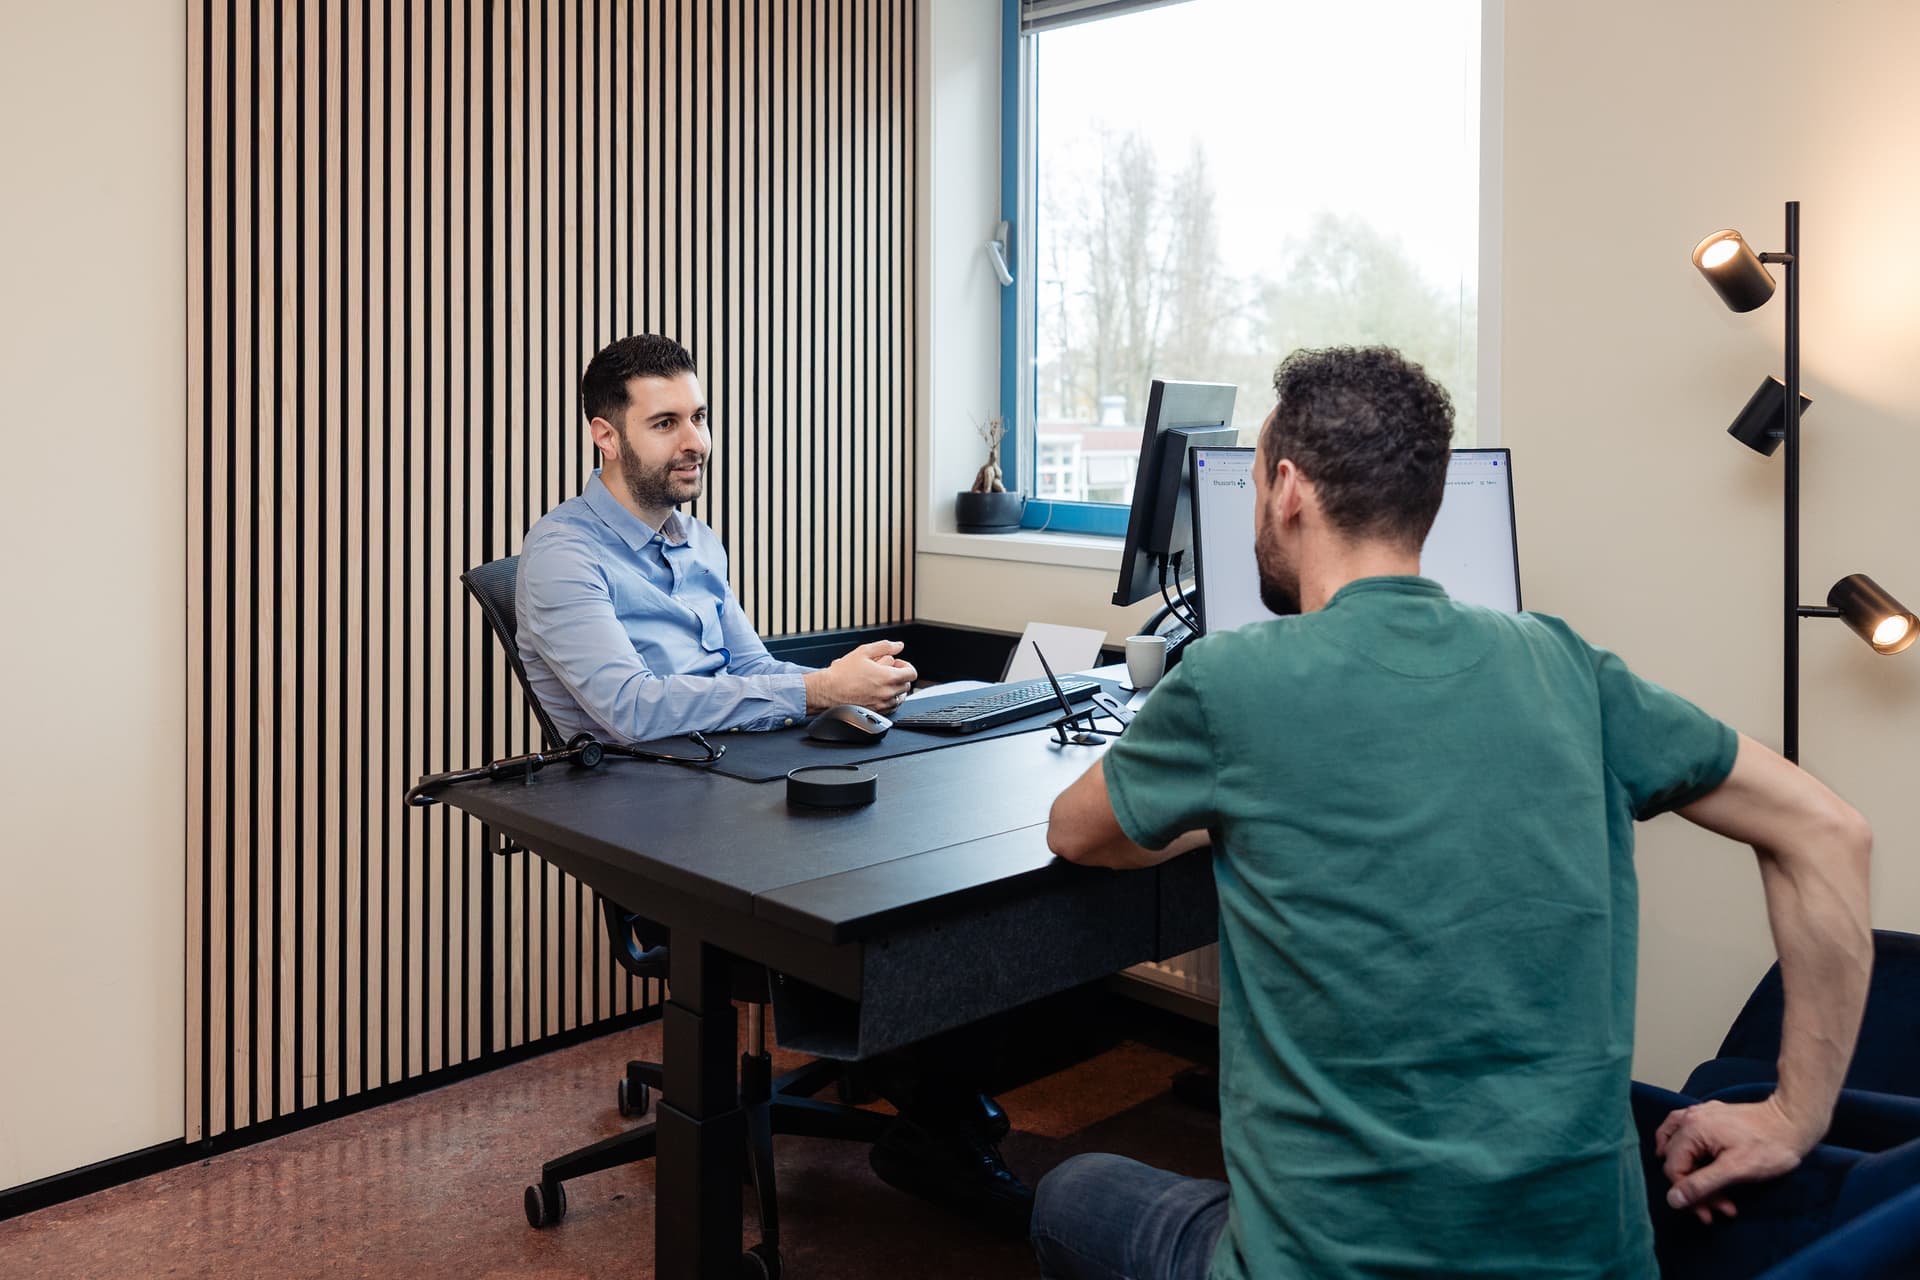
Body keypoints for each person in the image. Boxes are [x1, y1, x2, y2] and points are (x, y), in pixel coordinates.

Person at [1034, 346, 1874, 1279]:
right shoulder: (1569, 667)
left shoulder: (1234, 680)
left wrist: (1226, 804)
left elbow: (1077, 831)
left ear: (1285, 490)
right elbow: (1829, 831)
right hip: (1588, 1263)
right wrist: (1798, 1115)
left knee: (1071, 1193)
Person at [517, 333, 1032, 1228]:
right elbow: (628, 710)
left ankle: (934, 1105)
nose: (696, 441)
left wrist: (851, 691)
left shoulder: (695, 537)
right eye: (666, 422)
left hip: (741, 783)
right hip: (657, 822)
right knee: (883, 896)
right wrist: (812, 689)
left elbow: (749, 666)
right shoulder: (563, 557)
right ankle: (936, 1118)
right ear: (605, 435)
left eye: (700, 417)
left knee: (935, 853)